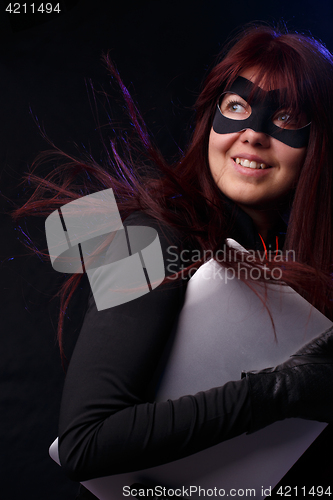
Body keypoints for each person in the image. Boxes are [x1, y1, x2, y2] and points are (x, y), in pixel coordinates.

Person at [14, 25, 333, 483]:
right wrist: (285, 389)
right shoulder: (146, 237)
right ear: (210, 122)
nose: (252, 134)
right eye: (237, 106)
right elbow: (85, 443)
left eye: (287, 118)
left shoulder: (299, 260)